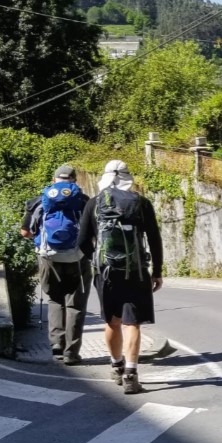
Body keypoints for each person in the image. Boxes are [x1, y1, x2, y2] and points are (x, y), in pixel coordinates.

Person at [77, 160, 163, 394]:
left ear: (104, 178)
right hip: (135, 272)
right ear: (128, 178)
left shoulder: (94, 203)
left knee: (111, 321)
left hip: (106, 273)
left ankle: (116, 366)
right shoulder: (140, 203)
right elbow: (154, 239)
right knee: (131, 322)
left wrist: (96, 258)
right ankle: (131, 375)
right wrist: (157, 271)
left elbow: (82, 241)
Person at [24, 165, 90, 365]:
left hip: (48, 257)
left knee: (54, 299)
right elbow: (93, 231)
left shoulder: (40, 201)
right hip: (77, 258)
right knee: (75, 305)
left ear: (54, 180)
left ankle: (56, 345)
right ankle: (71, 352)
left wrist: (42, 243)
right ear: (74, 181)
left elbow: (25, 232)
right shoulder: (84, 201)